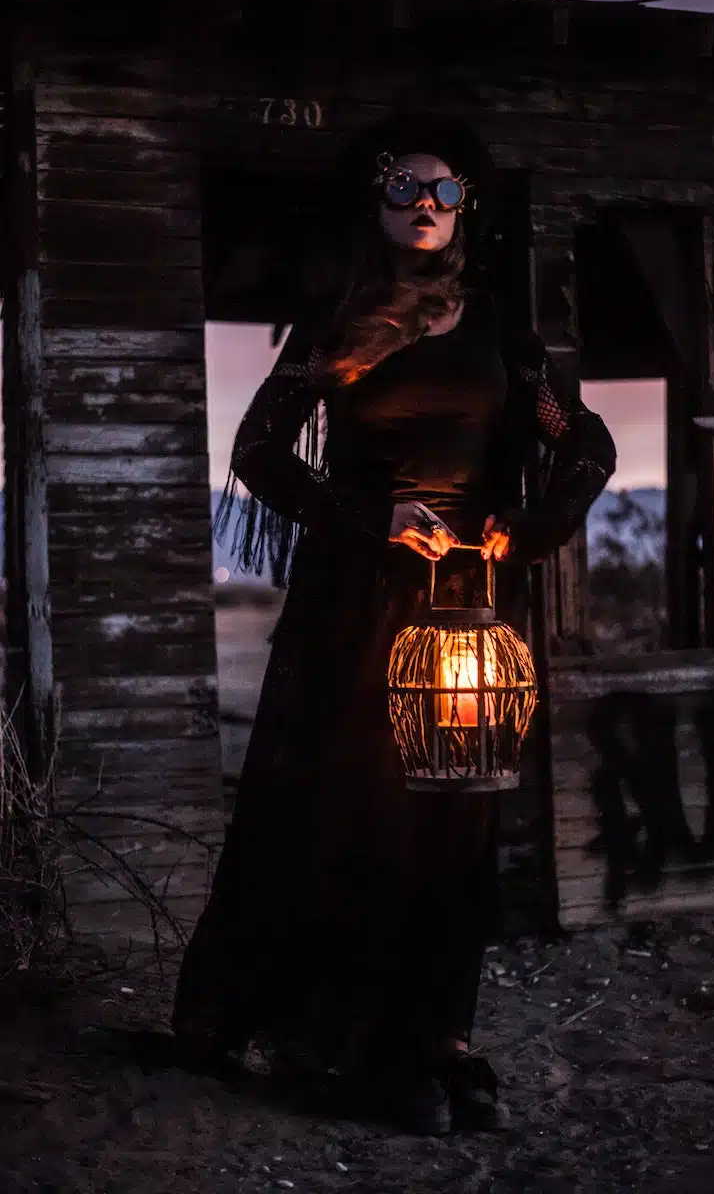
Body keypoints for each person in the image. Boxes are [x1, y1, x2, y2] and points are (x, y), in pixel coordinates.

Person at [172, 111, 616, 1135]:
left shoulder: (501, 328)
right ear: (375, 203)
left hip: (468, 610)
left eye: (445, 190)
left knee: (455, 826)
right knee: (353, 815)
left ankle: (441, 1037)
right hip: (354, 609)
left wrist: (534, 526)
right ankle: (354, 1043)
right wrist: (373, 517)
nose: (426, 206)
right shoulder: (339, 324)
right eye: (406, 189)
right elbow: (259, 453)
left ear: (467, 208)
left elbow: (580, 438)